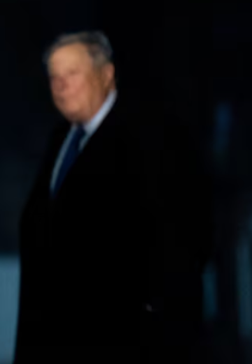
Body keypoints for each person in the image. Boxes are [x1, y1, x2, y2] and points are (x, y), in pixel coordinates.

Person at [14, 31, 210, 364]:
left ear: (106, 74)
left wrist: (152, 315)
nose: (61, 86)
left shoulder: (151, 136)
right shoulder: (62, 138)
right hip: (56, 337)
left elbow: (182, 235)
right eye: (54, 77)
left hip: (125, 341)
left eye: (72, 73)